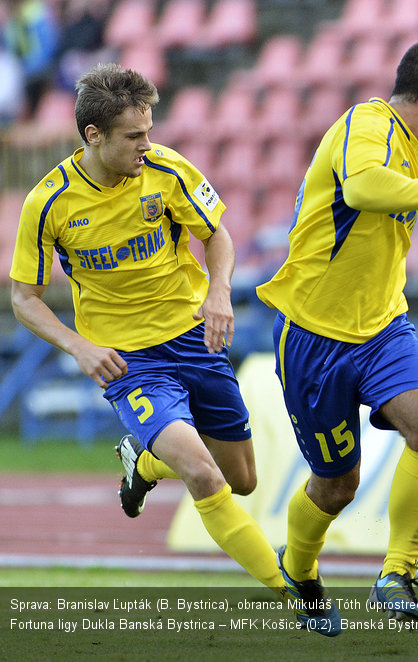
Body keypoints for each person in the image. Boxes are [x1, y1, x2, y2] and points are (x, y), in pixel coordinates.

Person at [9, 63, 287, 601]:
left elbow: (219, 236)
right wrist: (79, 346)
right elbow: (24, 299)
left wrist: (220, 292)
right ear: (94, 136)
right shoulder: (49, 202)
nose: (147, 145)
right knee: (204, 476)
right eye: (135, 136)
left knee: (242, 479)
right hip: (130, 361)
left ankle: (144, 460)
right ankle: (297, 593)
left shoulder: (168, 171)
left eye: (149, 132)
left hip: (192, 338)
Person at [256, 38, 418, 637]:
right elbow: (362, 189)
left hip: (383, 328)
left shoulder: (414, 151)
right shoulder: (367, 122)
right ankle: (301, 570)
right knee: (336, 486)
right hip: (315, 338)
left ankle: (399, 574)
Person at [2, 0, 60, 118]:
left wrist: (24, 69)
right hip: (22, 72)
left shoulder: (36, 10)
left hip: (40, 70)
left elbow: (49, 46)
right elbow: (10, 48)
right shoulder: (10, 20)